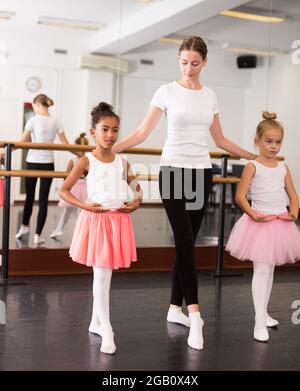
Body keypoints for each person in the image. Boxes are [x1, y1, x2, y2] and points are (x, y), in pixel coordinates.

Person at [111, 36, 256, 351]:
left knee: (186, 242)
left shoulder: (210, 95)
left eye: (194, 63)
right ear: (178, 61)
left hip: (202, 172)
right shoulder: (166, 91)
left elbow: (219, 139)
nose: (188, 68)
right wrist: (105, 149)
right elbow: (141, 132)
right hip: (173, 172)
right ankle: (196, 314)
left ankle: (174, 308)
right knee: (185, 242)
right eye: (183, 62)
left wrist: (251, 155)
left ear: (204, 63)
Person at [60, 102, 142, 355]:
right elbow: (64, 190)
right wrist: (84, 205)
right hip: (97, 221)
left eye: (115, 130)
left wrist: (136, 202)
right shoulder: (86, 161)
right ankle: (107, 328)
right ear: (93, 132)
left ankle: (96, 322)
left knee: (104, 275)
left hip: (118, 221)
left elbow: (137, 190)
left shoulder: (123, 162)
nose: (110, 135)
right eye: (105, 129)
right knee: (102, 275)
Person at [226, 111, 300, 342]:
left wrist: (294, 212)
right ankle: (259, 322)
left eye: (278, 142)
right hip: (259, 224)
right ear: (256, 142)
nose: (274, 147)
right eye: (268, 142)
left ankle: (264, 313)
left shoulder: (282, 168)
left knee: (270, 272)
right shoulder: (252, 166)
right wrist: (253, 214)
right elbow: (240, 196)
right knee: (262, 270)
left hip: (279, 224)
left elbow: (293, 195)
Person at [14, 94, 74, 245]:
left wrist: (4, 152)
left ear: (37, 104)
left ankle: (24, 227)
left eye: (33, 105)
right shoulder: (56, 121)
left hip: (33, 162)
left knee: (29, 197)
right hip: (48, 163)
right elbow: (66, 144)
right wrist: (81, 154)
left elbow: (21, 142)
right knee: (43, 200)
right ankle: (37, 235)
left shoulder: (33, 120)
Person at [51, 132, 89, 239]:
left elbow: (66, 176)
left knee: (78, 212)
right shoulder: (83, 161)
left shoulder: (75, 161)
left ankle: (81, 233)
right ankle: (59, 230)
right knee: (74, 211)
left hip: (79, 188)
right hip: (79, 188)